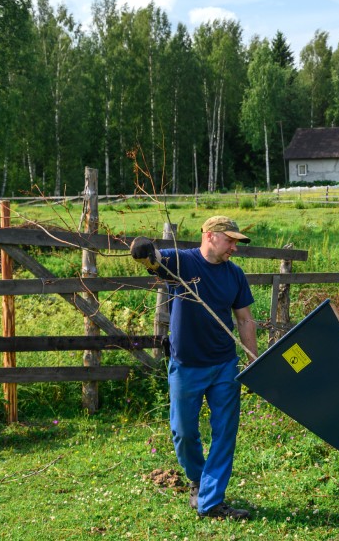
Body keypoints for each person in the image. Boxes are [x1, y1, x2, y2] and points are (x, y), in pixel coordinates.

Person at [131, 216, 257, 520]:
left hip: (224, 364)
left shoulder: (235, 275)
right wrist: (144, 251)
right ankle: (199, 481)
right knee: (184, 432)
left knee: (225, 432)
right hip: (186, 365)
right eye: (230, 241)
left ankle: (211, 501)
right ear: (210, 236)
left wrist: (254, 360)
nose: (234, 249)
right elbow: (155, 262)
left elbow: (244, 319)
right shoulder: (183, 263)